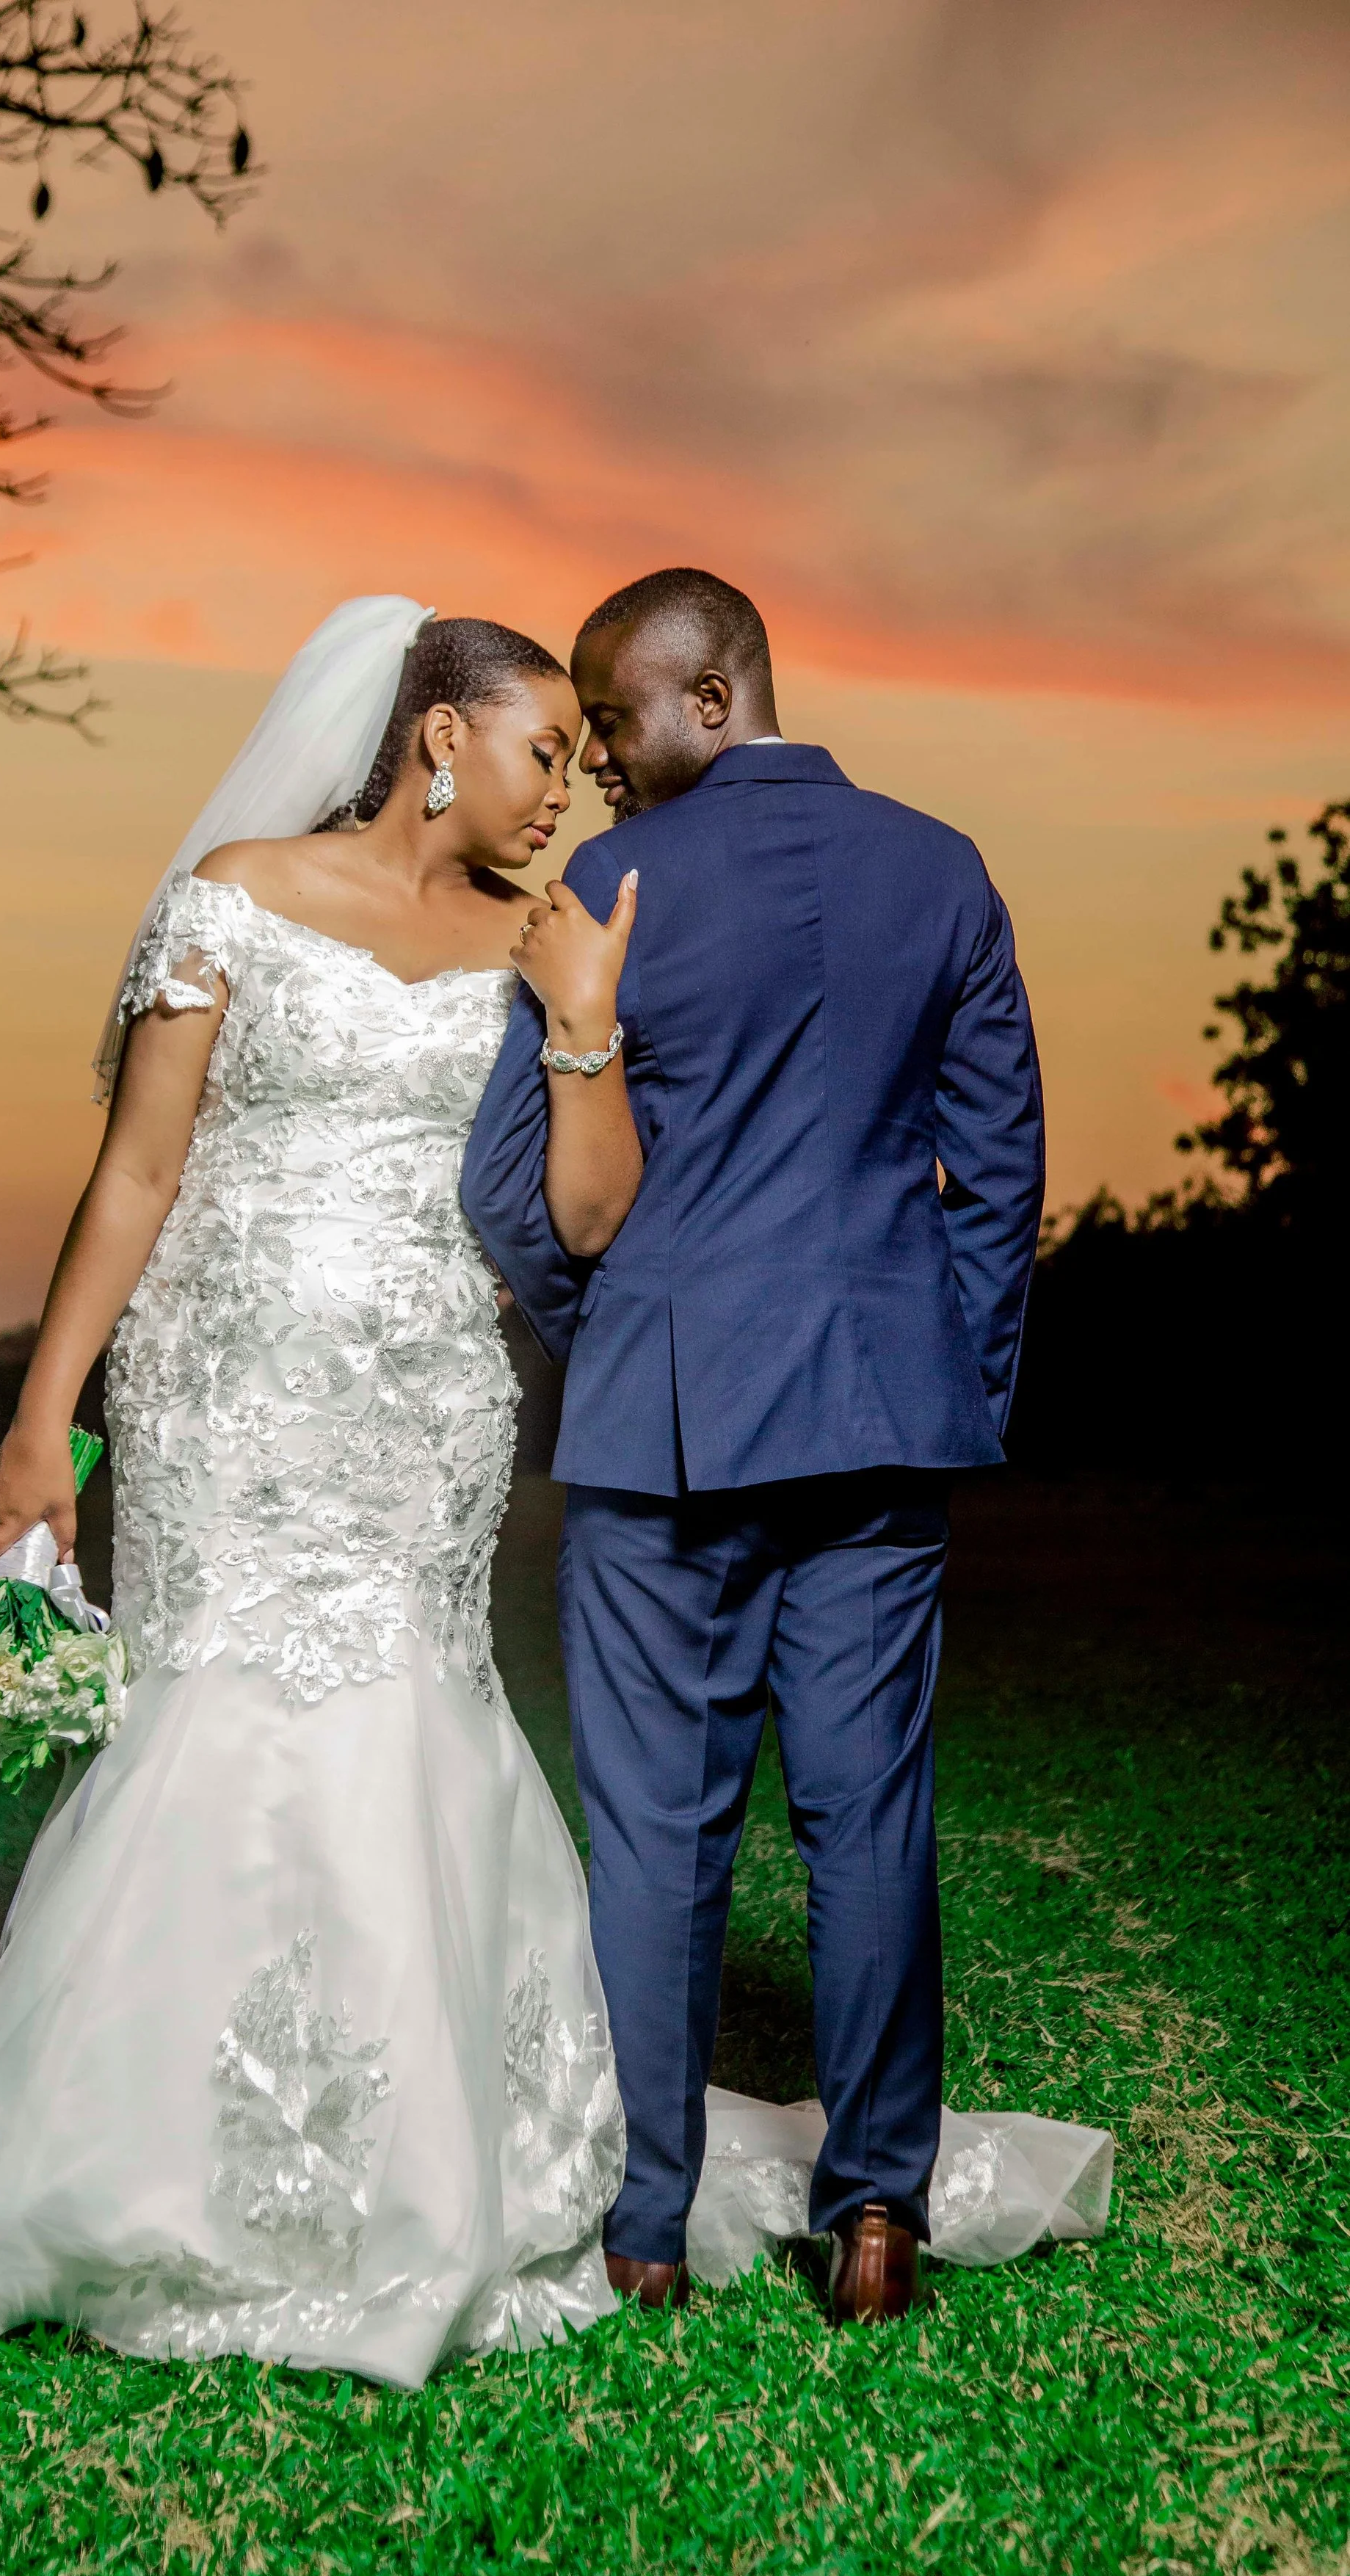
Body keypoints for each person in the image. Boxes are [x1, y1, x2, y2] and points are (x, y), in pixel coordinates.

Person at [0, 601, 636, 2385]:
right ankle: (143, 2174)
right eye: (542, 758)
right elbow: (134, 1172)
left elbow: (590, 1216)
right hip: (221, 1396)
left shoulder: (547, 945)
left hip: (427, 1403)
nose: (562, 801)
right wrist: (42, 1420)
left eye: (581, 774)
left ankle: (418, 2180)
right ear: (440, 736)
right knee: (208, 1720)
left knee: (408, 1713)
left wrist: (583, 1027)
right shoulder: (233, 894)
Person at [463, 567, 1073, 2324]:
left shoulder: (606, 888)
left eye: (617, 724)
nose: (601, 767)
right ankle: (873, 2224)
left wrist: (627, 1339)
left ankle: (645, 2228)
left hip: (662, 1427)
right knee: (866, 1815)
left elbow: (511, 1196)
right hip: (878, 1414)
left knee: (656, 1830)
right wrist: (936, 1376)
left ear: (710, 698)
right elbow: (999, 1175)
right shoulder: (939, 867)